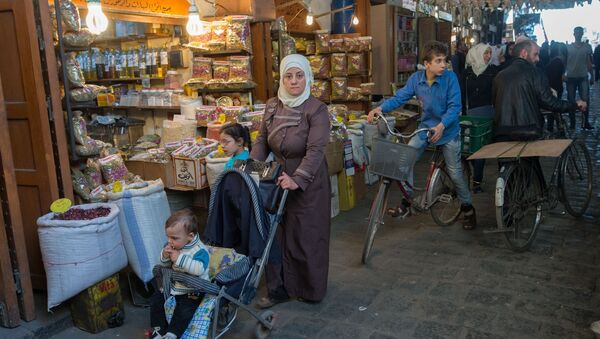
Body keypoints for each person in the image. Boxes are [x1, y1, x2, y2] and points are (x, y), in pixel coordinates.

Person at [368, 41, 477, 230]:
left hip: (448, 130)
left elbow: (455, 107)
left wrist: (442, 126)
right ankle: (407, 201)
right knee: (405, 159)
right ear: (427, 64)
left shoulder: (451, 78)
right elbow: (400, 98)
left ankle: (468, 208)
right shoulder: (416, 79)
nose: (444, 64)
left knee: (455, 173)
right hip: (426, 129)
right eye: (439, 61)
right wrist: (380, 108)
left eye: (445, 60)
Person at [251, 54, 331, 307]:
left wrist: (298, 179)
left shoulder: (316, 109)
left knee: (306, 236)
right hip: (276, 179)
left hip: (308, 183)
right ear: (282, 78)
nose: (294, 81)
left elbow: (316, 150)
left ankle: (309, 289)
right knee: (276, 234)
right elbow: (262, 140)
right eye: (288, 76)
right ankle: (278, 289)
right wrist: (252, 168)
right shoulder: (273, 106)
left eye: (299, 75)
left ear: (307, 77)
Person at [493, 39, 587, 142]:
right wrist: (575, 105)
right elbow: (550, 102)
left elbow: (495, 103)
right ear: (524, 53)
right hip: (527, 131)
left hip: (501, 132)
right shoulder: (536, 73)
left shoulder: (499, 75)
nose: (538, 59)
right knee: (528, 158)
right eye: (535, 54)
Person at [150, 209, 210, 339]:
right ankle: (158, 329)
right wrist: (165, 256)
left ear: (190, 236)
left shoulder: (199, 251)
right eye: (168, 237)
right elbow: (164, 265)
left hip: (193, 289)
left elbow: (199, 269)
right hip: (175, 284)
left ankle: (173, 333)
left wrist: (179, 258)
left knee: (185, 309)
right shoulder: (176, 245)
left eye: (174, 238)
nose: (170, 241)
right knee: (156, 299)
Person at [460, 43, 499, 193]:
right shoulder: (466, 73)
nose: (489, 56)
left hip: (487, 114)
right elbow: (463, 94)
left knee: (481, 150)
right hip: (469, 114)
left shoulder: (493, 71)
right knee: (468, 148)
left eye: (490, 53)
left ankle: (477, 182)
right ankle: (470, 174)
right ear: (477, 54)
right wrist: (462, 112)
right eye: (485, 53)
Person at [565, 26, 594, 130]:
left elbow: (589, 62)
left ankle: (585, 122)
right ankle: (572, 123)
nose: (578, 34)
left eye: (580, 32)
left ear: (582, 34)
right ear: (574, 34)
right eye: (576, 32)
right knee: (571, 101)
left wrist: (592, 76)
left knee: (586, 100)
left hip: (583, 76)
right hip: (571, 77)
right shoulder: (568, 47)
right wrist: (563, 74)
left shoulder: (587, 47)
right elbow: (564, 62)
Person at [545, 42, 568, 132]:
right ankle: (558, 126)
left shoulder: (556, 61)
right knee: (554, 108)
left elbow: (555, 77)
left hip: (554, 88)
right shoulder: (559, 61)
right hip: (557, 87)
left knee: (553, 108)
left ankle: (554, 127)